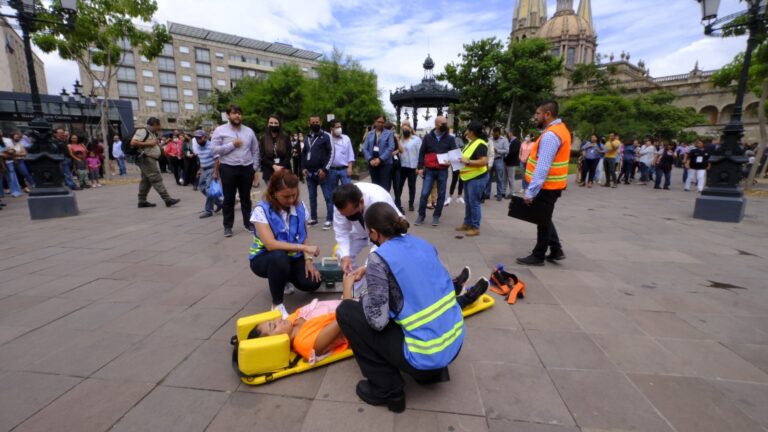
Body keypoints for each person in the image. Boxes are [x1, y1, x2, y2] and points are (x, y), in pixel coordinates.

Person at [336, 202, 483, 413]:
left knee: (347, 312)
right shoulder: (422, 243)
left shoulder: (378, 259)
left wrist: (356, 295)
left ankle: (388, 390)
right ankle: (431, 374)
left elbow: (377, 321)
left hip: (424, 353)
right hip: (453, 342)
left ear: (374, 233)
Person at [253, 264, 485, 366]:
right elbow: (345, 320)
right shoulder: (304, 344)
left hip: (360, 306)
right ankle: (462, 300)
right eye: (273, 326)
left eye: (271, 321)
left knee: (399, 286)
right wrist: (347, 289)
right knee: (406, 302)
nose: (277, 319)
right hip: (367, 322)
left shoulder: (293, 321)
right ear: (278, 342)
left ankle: (451, 289)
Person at [249, 170, 322, 317]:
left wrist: (308, 261)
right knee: (278, 257)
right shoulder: (261, 211)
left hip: (292, 258)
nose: (291, 200)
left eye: (294, 195)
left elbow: (304, 235)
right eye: (286, 196)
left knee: (312, 283)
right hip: (264, 258)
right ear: (274, 193)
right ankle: (277, 305)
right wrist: (304, 248)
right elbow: (270, 244)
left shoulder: (300, 206)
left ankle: (283, 278)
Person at [516, 101, 570, 266]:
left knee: (542, 221)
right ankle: (556, 250)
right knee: (544, 217)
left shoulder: (550, 135)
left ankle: (538, 255)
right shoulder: (561, 130)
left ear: (547, 114)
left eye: (538, 114)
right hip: (553, 185)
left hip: (547, 186)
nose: (535, 117)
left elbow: (543, 166)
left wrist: (530, 192)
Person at [211, 105, 260, 237]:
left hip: (246, 168)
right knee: (229, 199)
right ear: (228, 115)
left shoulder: (249, 131)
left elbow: (255, 150)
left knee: (246, 198)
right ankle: (228, 226)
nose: (237, 116)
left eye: (239, 113)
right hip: (228, 167)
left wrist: (254, 168)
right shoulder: (220, 130)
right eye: (234, 113)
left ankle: (248, 223)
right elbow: (214, 150)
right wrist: (232, 145)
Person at [332, 182, 402, 274]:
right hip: (359, 232)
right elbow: (342, 232)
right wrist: (345, 256)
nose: (349, 218)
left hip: (389, 232)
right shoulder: (341, 204)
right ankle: (356, 285)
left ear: (361, 202)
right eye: (346, 216)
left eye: (352, 215)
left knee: (376, 263)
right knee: (342, 255)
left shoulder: (379, 200)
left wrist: (366, 267)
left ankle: (376, 283)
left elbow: (383, 240)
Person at [415, 116, 457, 226]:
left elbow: (455, 154)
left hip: (443, 170)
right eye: (443, 123)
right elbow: (421, 152)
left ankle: (436, 216)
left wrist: (451, 161)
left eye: (445, 123)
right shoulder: (427, 137)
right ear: (436, 124)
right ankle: (421, 215)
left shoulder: (450, 138)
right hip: (429, 170)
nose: (445, 125)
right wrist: (420, 167)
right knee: (424, 193)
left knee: (441, 194)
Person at [131, 117, 180, 208]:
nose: (159, 127)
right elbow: (133, 142)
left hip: (149, 159)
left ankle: (142, 201)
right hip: (146, 159)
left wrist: (162, 143)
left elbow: (153, 146)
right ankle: (167, 199)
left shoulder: (151, 133)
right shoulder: (143, 131)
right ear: (154, 124)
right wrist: (150, 144)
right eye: (158, 125)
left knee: (146, 181)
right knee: (156, 178)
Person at [456, 121, 489, 237]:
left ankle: (475, 227)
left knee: (474, 203)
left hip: (477, 178)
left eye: (467, 130)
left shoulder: (480, 144)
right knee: (469, 202)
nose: (466, 132)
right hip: (468, 177)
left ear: (472, 132)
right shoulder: (471, 143)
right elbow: (463, 158)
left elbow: (484, 161)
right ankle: (467, 223)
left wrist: (468, 161)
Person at [301, 115, 335, 229]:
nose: (314, 124)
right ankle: (314, 218)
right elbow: (304, 154)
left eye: (317, 122)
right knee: (312, 197)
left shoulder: (326, 136)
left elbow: (331, 153)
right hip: (309, 173)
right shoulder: (307, 137)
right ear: (308, 123)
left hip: (322, 173)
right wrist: (303, 168)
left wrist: (325, 169)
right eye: (312, 122)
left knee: (328, 197)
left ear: (320, 123)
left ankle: (329, 219)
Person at [193, 129, 222, 218]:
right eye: (196, 138)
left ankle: (208, 210)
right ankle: (220, 203)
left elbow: (217, 160)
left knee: (209, 189)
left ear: (205, 137)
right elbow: (202, 159)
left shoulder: (211, 146)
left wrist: (215, 172)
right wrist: (200, 169)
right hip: (204, 169)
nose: (198, 140)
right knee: (201, 187)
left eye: (199, 138)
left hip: (212, 169)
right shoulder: (198, 146)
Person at [362, 115, 395, 192]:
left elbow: (391, 147)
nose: (380, 124)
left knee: (384, 187)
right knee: (375, 186)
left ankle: (384, 203)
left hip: (385, 164)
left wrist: (380, 159)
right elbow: (364, 148)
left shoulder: (389, 133)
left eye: (382, 122)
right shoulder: (370, 134)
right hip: (372, 163)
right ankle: (376, 203)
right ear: (375, 122)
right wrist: (370, 159)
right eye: (379, 122)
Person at [259, 114, 292, 183]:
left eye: (275, 123)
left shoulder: (285, 137)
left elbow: (289, 155)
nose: (273, 125)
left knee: (284, 193)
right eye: (271, 123)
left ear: (279, 124)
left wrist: (281, 167)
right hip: (269, 171)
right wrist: (273, 166)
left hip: (284, 170)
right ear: (267, 124)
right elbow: (262, 155)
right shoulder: (263, 138)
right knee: (272, 193)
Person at [327, 119, 356, 195]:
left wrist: (350, 167)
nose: (339, 129)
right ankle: (335, 207)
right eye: (337, 127)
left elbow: (350, 154)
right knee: (333, 193)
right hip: (331, 170)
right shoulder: (327, 139)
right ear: (331, 129)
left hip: (344, 170)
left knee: (349, 192)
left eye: (340, 127)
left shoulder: (346, 138)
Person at [398, 121, 421, 212]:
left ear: (410, 129)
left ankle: (411, 204)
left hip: (413, 167)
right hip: (402, 166)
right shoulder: (399, 140)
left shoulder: (416, 139)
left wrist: (419, 166)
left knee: (412, 186)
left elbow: (420, 153)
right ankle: (397, 202)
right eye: (403, 128)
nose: (405, 129)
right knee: (399, 185)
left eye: (407, 128)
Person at [488, 127, 510, 201]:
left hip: (499, 160)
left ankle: (499, 195)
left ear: (499, 133)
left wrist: (497, 150)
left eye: (496, 133)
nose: (494, 134)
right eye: (493, 133)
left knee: (500, 178)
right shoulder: (490, 139)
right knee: (488, 178)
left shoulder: (504, 140)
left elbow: (507, 150)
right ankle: (487, 194)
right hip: (490, 160)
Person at [446, 129, 465, 205]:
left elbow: (463, 147)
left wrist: (459, 150)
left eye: (452, 132)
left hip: (460, 160)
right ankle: (450, 195)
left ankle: (459, 196)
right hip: (454, 161)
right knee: (454, 179)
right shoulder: (447, 140)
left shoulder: (458, 139)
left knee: (461, 179)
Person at [505, 131, 521, 198]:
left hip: (512, 162)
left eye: (509, 133)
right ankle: (504, 191)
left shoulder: (516, 141)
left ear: (511, 133)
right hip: (508, 162)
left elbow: (512, 152)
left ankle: (512, 193)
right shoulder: (510, 141)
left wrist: (505, 158)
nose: (508, 134)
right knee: (506, 178)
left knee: (511, 178)